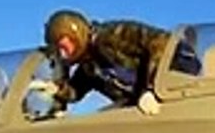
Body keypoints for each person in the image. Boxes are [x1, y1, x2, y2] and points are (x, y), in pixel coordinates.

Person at [41, 9, 200, 117]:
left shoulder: (112, 36)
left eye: (63, 46)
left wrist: (150, 89)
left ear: (76, 35)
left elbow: (161, 43)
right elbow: (75, 92)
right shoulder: (89, 66)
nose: (63, 54)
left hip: (181, 92)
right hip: (148, 111)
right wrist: (55, 89)